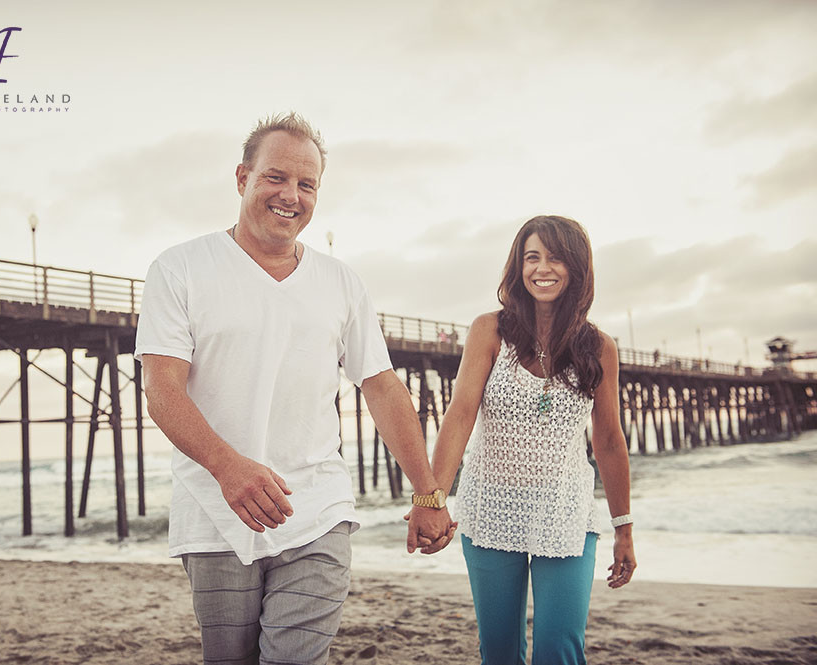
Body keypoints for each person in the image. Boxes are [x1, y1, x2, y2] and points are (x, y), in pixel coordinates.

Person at [135, 112, 455, 665]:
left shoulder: (341, 282)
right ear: (242, 178)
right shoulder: (179, 269)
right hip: (215, 511)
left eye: (307, 185)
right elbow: (163, 390)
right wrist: (228, 467)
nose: (291, 196)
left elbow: (380, 386)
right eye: (276, 178)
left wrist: (427, 491)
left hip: (317, 508)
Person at [428, 215, 636, 664]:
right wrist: (433, 499)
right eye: (532, 257)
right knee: (499, 652)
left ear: (577, 267)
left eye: (556, 257)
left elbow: (609, 441)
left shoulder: (599, 347)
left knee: (560, 649)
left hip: (565, 512)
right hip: (491, 509)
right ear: (518, 266)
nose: (543, 268)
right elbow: (461, 414)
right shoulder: (490, 330)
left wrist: (624, 528)